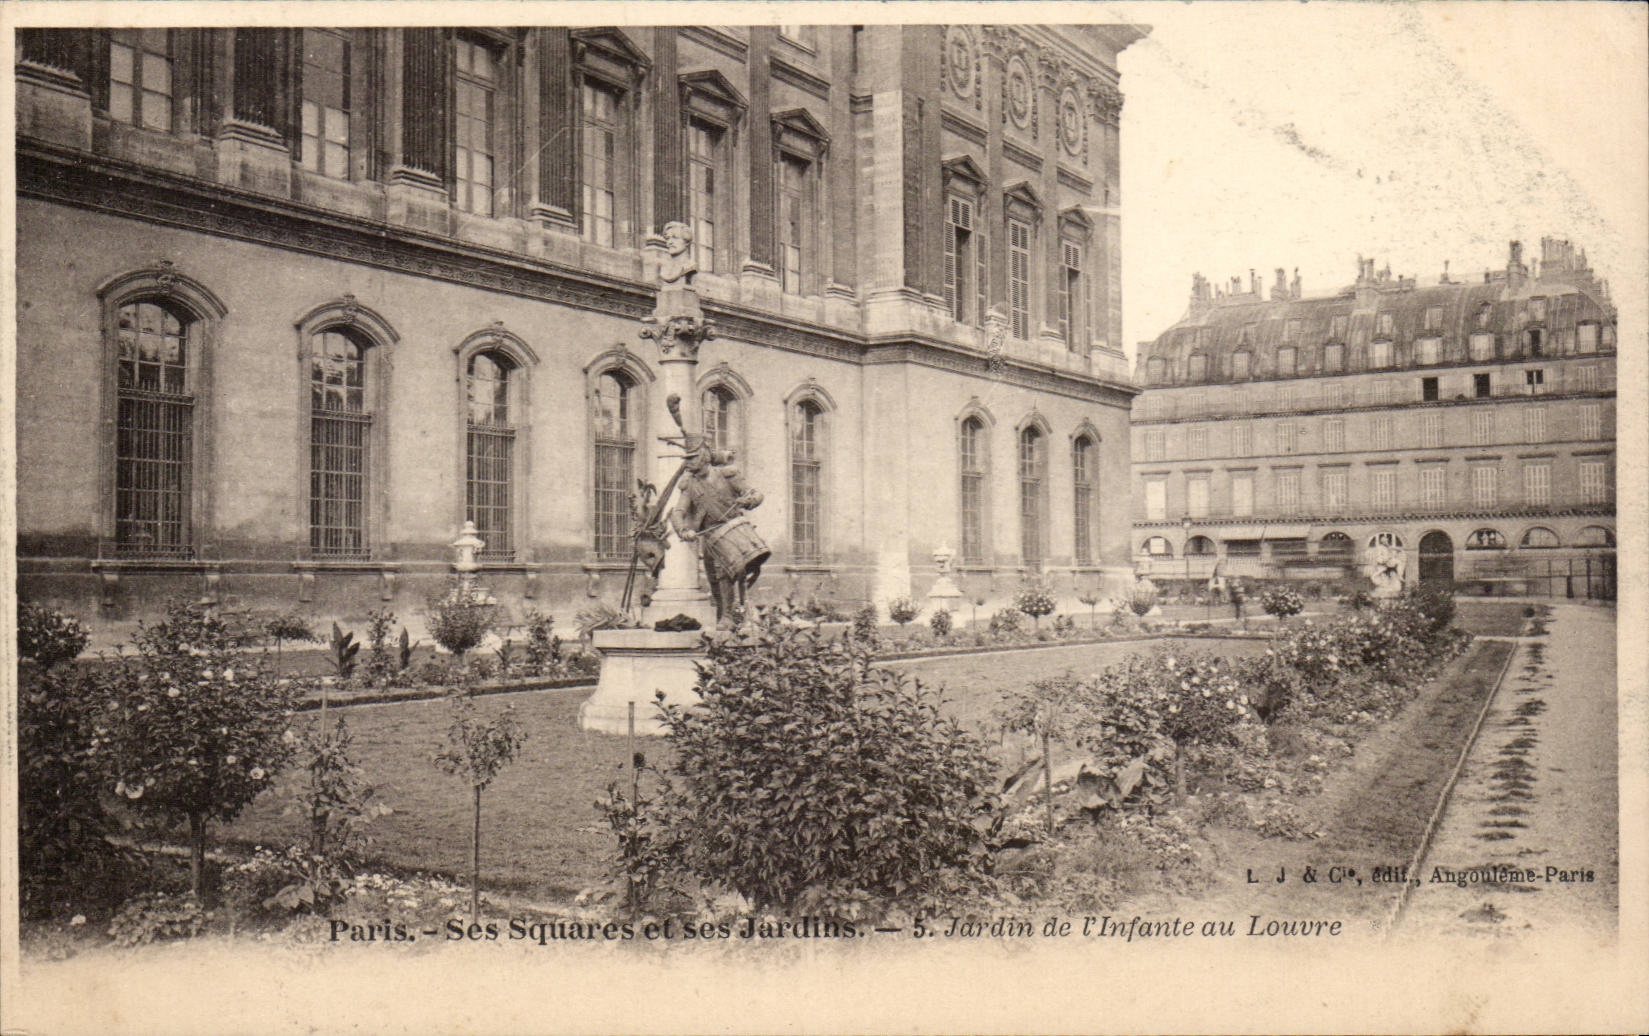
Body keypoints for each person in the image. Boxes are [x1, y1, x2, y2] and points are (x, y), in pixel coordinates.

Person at [669, 438, 768, 626]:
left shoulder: (727, 475)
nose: (688, 462)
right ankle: (723, 615)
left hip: (734, 532)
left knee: (726, 572)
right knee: (714, 579)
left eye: (692, 457)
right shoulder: (689, 484)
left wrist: (748, 501)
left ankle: (729, 616)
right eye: (687, 458)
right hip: (710, 537)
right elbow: (678, 511)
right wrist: (683, 530)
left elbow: (756, 494)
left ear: (704, 456)